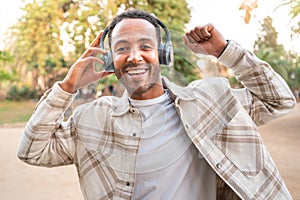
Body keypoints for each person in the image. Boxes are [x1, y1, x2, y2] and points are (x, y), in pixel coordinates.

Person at [17, 9, 296, 200]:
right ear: (109, 60)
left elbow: (279, 100)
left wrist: (226, 52)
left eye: (145, 46)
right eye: (122, 48)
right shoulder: (93, 119)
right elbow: (33, 151)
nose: (134, 56)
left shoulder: (211, 101)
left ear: (163, 54)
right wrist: (67, 88)